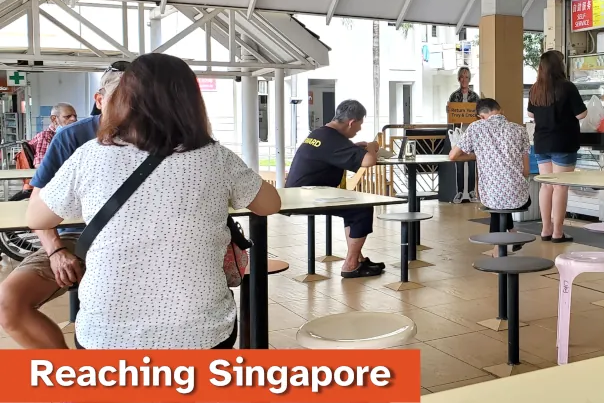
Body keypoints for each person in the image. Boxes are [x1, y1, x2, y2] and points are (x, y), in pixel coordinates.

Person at [25, 53, 281, 349]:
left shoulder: (90, 155)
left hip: (106, 334)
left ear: (123, 98)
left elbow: (36, 218)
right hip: (200, 332)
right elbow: (270, 204)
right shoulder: (217, 158)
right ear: (191, 102)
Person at [0, 61, 127, 349]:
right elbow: (37, 204)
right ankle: (65, 373)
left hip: (140, 239)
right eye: (122, 98)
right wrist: (55, 250)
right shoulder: (74, 138)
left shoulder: (165, 137)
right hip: (78, 236)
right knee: (9, 303)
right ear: (100, 100)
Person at [285, 100, 385, 278]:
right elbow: (369, 161)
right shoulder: (333, 139)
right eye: (360, 124)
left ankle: (358, 259)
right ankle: (351, 265)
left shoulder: (320, 133)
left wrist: (354, 148)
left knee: (353, 207)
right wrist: (370, 147)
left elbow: (331, 152)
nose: (359, 129)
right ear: (351, 122)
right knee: (361, 208)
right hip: (306, 196)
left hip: (296, 194)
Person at [449, 98, 531, 249]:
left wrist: (480, 155)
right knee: (503, 197)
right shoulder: (520, 129)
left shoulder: (475, 128)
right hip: (519, 196)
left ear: (481, 116)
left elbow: (453, 156)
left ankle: (496, 251)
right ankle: (512, 233)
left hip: (491, 195)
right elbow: (526, 171)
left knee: (496, 199)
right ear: (501, 111)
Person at [528, 50, 587, 243]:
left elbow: (531, 115)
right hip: (563, 142)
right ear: (559, 66)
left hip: (541, 142)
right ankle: (557, 232)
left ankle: (545, 229)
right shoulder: (567, 87)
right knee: (560, 187)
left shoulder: (536, 88)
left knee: (546, 186)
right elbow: (581, 114)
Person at [26, 103, 78, 167]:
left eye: (75, 116)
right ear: (54, 119)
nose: (74, 119)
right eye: (68, 116)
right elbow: (41, 165)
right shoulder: (46, 136)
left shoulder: (69, 136)